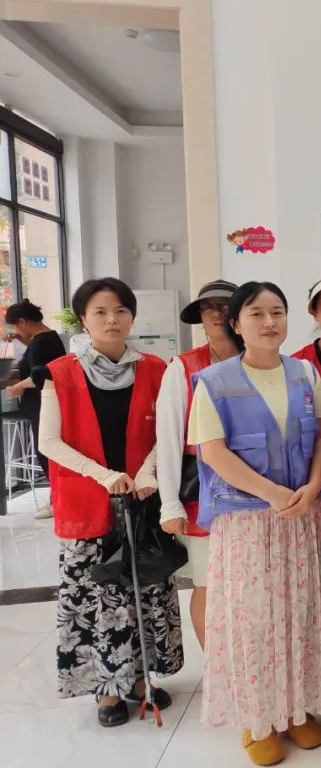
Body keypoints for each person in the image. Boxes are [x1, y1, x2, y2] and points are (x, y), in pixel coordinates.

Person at [191, 282, 321, 765]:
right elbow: (213, 452)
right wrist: (273, 494)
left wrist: (313, 486)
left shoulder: (305, 373)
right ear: (236, 324)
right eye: (256, 313)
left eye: (277, 311)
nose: (269, 322)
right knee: (254, 620)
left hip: (303, 515)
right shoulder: (212, 382)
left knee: (302, 613)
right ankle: (258, 719)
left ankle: (296, 709)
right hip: (247, 521)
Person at [38, 277, 183, 727]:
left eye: (120, 310)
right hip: (87, 503)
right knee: (97, 599)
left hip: (141, 499)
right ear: (84, 318)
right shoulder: (60, 372)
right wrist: (104, 476)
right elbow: (49, 441)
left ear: (132, 317)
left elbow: (168, 431)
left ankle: (140, 679)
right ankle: (106, 690)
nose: (111, 319)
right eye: (100, 311)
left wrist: (147, 472)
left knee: (144, 590)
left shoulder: (155, 369)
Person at [155, 280, 240, 649]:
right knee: (209, 582)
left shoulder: (263, 359)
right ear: (201, 318)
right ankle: (216, 668)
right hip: (203, 493)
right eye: (209, 308)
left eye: (226, 305)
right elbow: (169, 441)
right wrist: (169, 504)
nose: (218, 313)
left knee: (249, 584)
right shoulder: (183, 367)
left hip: (258, 492)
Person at [4, 298, 68, 519]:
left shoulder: (41, 343)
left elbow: (40, 375)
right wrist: (20, 338)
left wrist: (17, 387)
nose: (15, 331)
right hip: (44, 405)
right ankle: (56, 500)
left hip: (43, 405)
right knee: (49, 453)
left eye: (15, 326)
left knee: (47, 453)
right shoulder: (47, 339)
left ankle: (57, 503)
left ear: (23, 321)